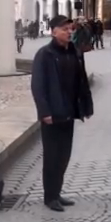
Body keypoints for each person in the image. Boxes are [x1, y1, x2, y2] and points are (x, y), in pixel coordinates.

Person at [31, 15, 94, 212]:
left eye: (70, 29)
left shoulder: (74, 52)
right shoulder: (45, 54)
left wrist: (85, 105)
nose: (69, 32)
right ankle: (50, 197)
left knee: (64, 155)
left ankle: (57, 193)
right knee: (52, 156)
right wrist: (44, 111)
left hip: (69, 111)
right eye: (64, 29)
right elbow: (38, 86)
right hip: (52, 114)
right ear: (53, 31)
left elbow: (81, 80)